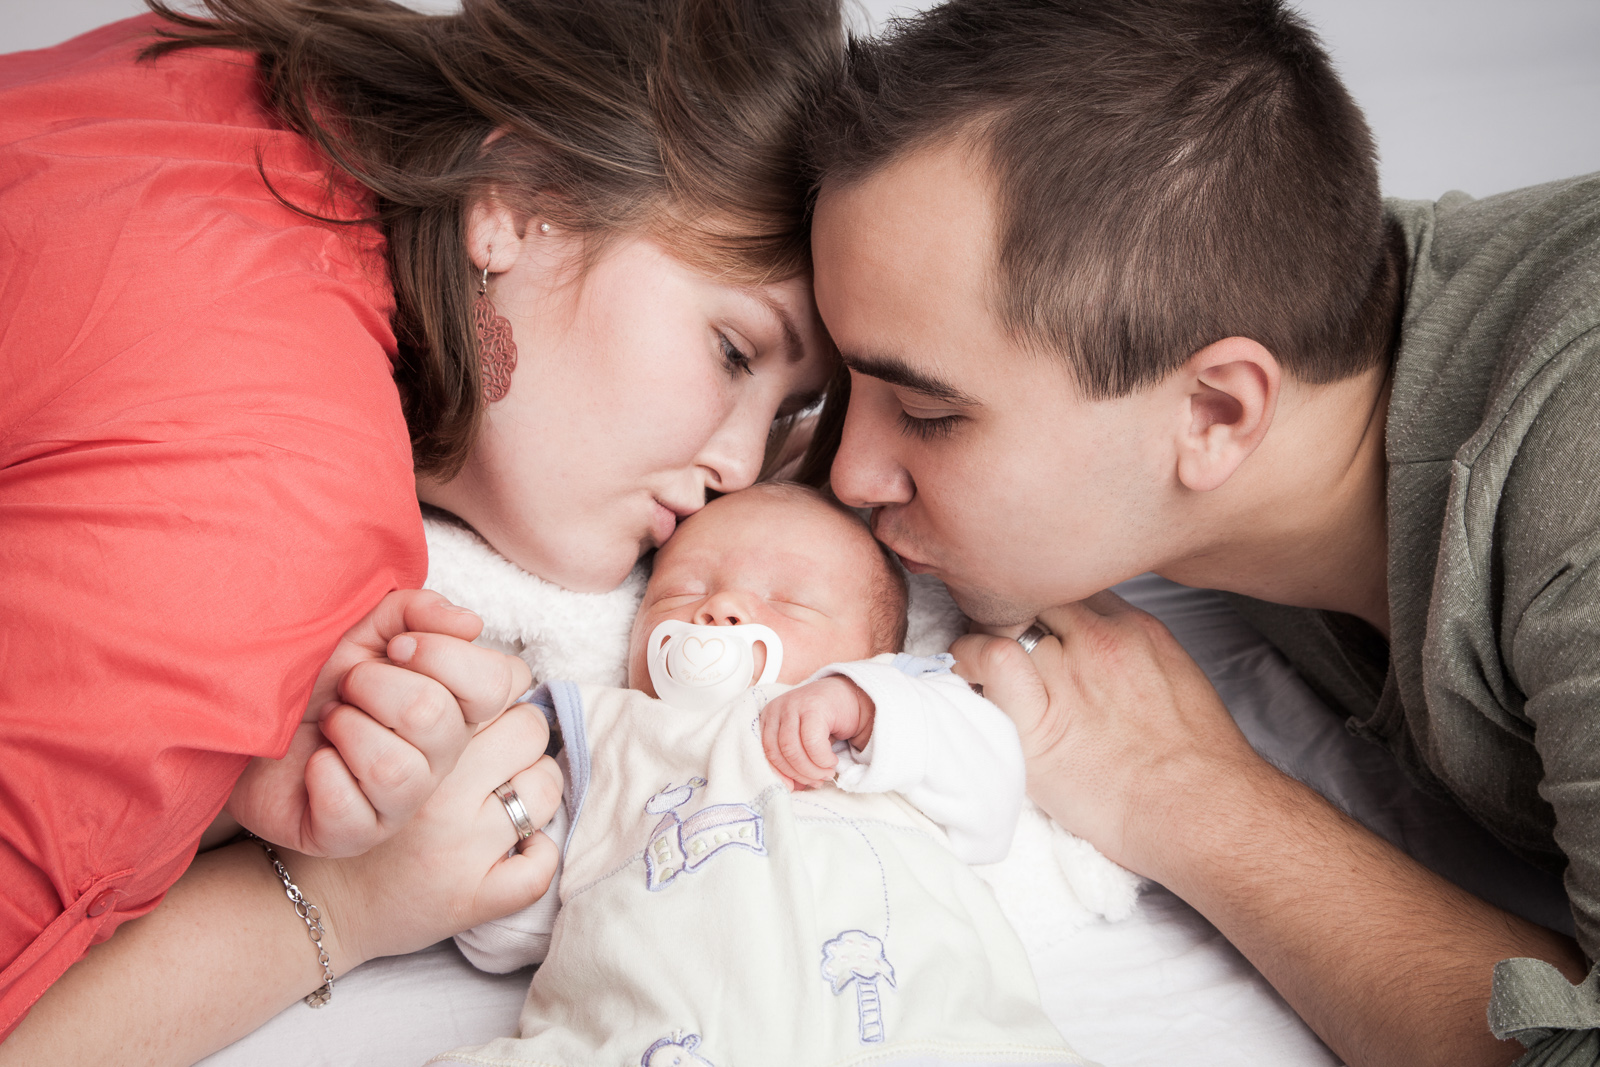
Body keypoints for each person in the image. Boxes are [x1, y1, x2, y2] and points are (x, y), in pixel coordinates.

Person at [0, 0, 840, 1061]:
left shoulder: (243, 70)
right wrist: (330, 903)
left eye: (786, 413)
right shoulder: (274, 506)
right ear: (518, 200)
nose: (738, 465)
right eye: (731, 351)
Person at [802, 2, 1600, 1066]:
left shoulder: (1571, 486)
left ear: (1215, 413)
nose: (851, 471)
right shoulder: (1226, 293)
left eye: (931, 414)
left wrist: (1187, 792)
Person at [441, 484, 1081, 1066]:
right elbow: (503, 931)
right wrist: (478, 831)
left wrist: (863, 703)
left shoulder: (903, 709)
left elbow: (992, 799)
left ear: (877, 651)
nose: (720, 608)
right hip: (647, 1044)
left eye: (790, 600)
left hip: (925, 1037)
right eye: (679, 591)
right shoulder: (602, 737)